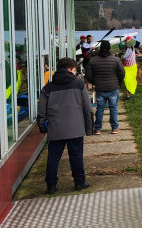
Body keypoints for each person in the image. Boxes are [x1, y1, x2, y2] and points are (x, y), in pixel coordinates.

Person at [39, 57, 94, 194]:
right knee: (76, 156)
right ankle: (79, 182)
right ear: (70, 69)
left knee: (53, 157)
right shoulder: (79, 85)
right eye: (74, 70)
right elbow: (88, 109)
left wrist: (43, 125)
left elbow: (41, 111)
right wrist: (89, 129)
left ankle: (51, 185)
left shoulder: (48, 87)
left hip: (56, 129)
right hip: (76, 128)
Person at [86, 41, 124, 135]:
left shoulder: (93, 60)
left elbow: (88, 75)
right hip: (113, 87)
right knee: (113, 108)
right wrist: (117, 83)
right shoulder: (115, 60)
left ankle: (97, 129)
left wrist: (95, 82)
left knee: (100, 109)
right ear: (109, 48)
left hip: (100, 88)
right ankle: (115, 128)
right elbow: (122, 73)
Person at [120, 36, 140, 100]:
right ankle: (128, 95)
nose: (122, 49)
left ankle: (129, 94)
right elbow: (122, 57)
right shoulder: (123, 52)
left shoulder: (132, 47)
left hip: (133, 67)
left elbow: (138, 43)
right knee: (127, 81)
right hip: (126, 68)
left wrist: (131, 40)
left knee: (132, 81)